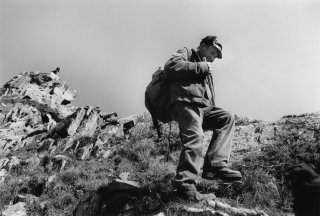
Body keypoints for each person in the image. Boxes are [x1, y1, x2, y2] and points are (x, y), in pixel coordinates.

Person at [163, 35, 242, 201]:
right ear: (203, 46)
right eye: (212, 52)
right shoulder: (187, 53)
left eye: (215, 56)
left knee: (226, 118)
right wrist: (201, 67)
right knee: (195, 137)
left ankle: (216, 165)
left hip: (202, 108)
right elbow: (171, 67)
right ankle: (185, 187)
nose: (213, 58)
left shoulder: (206, 68)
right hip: (186, 102)